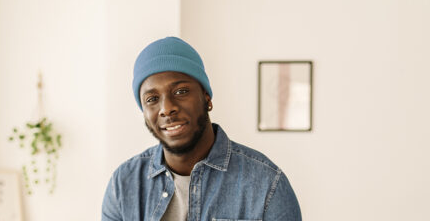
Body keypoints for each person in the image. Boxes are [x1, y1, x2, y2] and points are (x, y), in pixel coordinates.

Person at [102, 37, 301, 221]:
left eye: (181, 91)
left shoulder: (267, 184)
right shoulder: (123, 184)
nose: (166, 108)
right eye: (152, 99)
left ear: (207, 98)